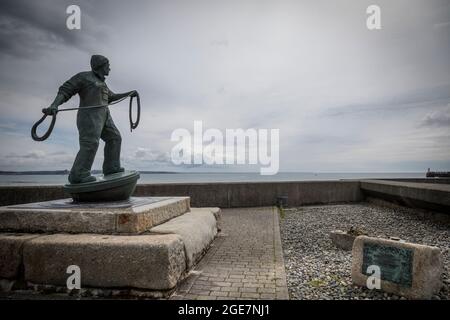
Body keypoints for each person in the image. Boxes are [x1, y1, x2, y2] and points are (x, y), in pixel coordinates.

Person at [45, 55, 137, 184]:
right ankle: (78, 174)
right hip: (89, 116)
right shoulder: (84, 77)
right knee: (90, 143)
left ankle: (111, 168)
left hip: (104, 116)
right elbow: (66, 90)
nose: (109, 68)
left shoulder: (102, 83)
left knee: (115, 138)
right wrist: (54, 105)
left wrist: (129, 94)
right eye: (107, 65)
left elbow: (111, 97)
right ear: (100, 65)